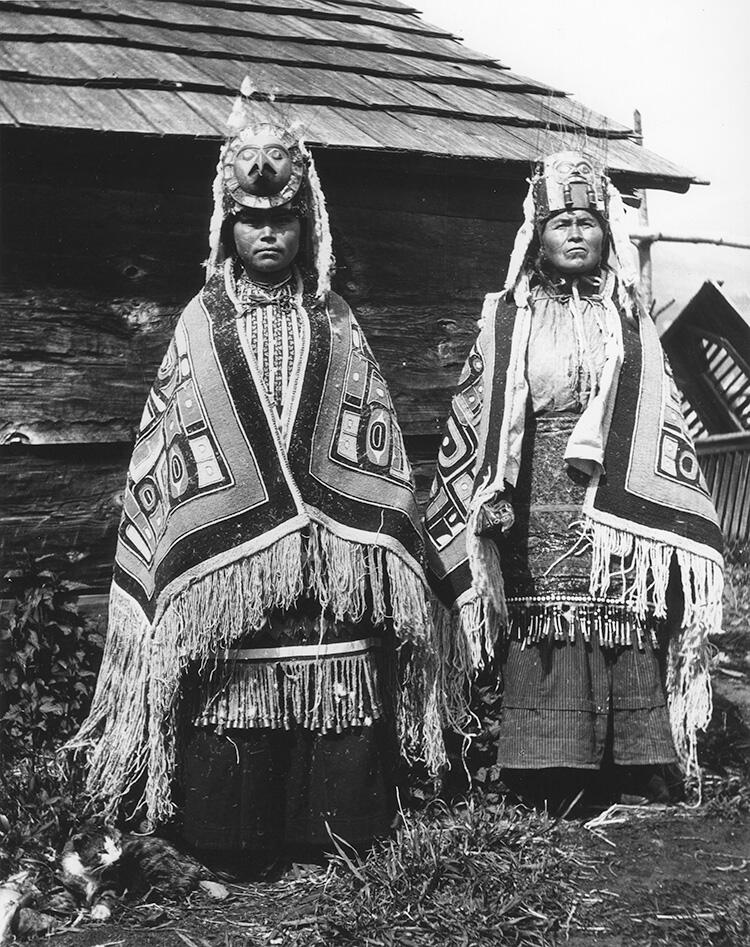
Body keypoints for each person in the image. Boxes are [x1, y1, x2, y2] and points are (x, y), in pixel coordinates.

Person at [69, 83, 443, 874]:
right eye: (253, 219)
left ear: (310, 227)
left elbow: (369, 432)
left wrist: (343, 521)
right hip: (225, 574)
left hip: (325, 562)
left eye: (284, 219)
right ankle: (234, 838)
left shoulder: (336, 318)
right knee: (231, 683)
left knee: (332, 665)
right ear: (227, 225)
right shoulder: (199, 322)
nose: (269, 234)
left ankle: (328, 831)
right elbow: (168, 437)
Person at [424, 151, 723, 808]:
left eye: (589, 220)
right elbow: (488, 408)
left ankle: (636, 762)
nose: (578, 233)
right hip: (537, 491)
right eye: (563, 222)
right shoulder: (511, 315)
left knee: (625, 614)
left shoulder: (628, 317)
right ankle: (549, 771)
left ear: (606, 233)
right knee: (547, 620)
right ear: (537, 236)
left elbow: (659, 413)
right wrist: (491, 491)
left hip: (615, 494)